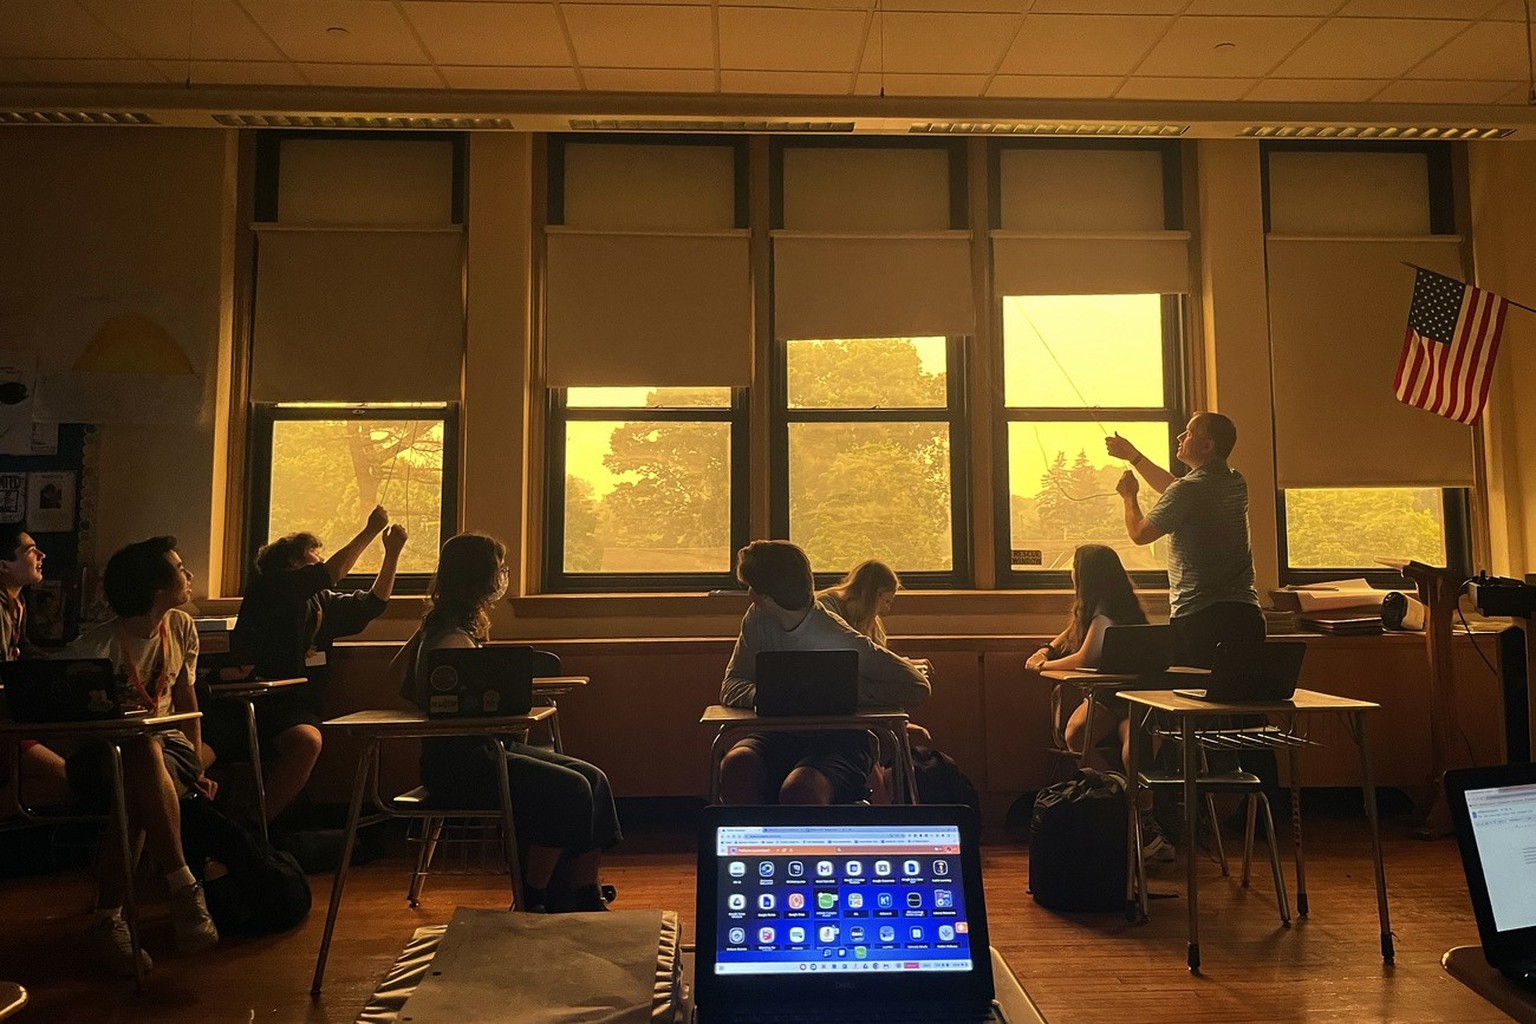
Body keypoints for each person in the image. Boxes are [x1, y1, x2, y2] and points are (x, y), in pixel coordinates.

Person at [406, 533, 620, 914]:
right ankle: (532, 897)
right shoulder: (448, 638)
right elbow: (448, 708)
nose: (504, 576)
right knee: (569, 788)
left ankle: (584, 890)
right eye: (500, 569)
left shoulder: (450, 629)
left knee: (594, 778)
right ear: (481, 576)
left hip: (487, 749)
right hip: (461, 763)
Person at [62, 537, 219, 975]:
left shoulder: (182, 627)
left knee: (143, 763)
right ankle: (185, 889)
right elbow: (75, 734)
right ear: (155, 589)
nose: (188, 576)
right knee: (137, 756)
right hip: (103, 755)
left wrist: (198, 761)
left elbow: (187, 699)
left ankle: (109, 920)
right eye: (180, 569)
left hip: (170, 749)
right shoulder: (92, 649)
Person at [216, 505, 407, 822]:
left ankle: (257, 826)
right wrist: (370, 530)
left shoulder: (319, 601)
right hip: (246, 703)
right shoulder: (271, 588)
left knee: (307, 742)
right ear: (294, 562)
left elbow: (372, 605)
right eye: (315, 554)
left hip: (295, 707)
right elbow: (331, 572)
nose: (322, 559)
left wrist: (392, 555)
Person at [719, 540, 930, 806]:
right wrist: (773, 695)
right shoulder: (758, 619)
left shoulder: (836, 635)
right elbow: (731, 685)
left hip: (840, 738)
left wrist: (843, 695)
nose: (749, 594)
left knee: (800, 791)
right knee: (736, 767)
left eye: (751, 588)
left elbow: (916, 685)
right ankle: (756, 847)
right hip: (777, 732)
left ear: (764, 596)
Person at [1107, 412, 1262, 666]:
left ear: (1207, 446)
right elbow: (1175, 487)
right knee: (1240, 697)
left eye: (1189, 433)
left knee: (1194, 698)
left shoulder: (1188, 491)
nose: (1180, 436)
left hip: (1201, 618)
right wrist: (1134, 457)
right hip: (1246, 615)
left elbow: (1139, 533)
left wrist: (1129, 497)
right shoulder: (1235, 481)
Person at [0, 523, 70, 809]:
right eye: (30, 550)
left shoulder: (17, 603)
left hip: (9, 715)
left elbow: (25, 651)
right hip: (4, 721)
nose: (40, 555)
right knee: (65, 778)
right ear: (4, 565)